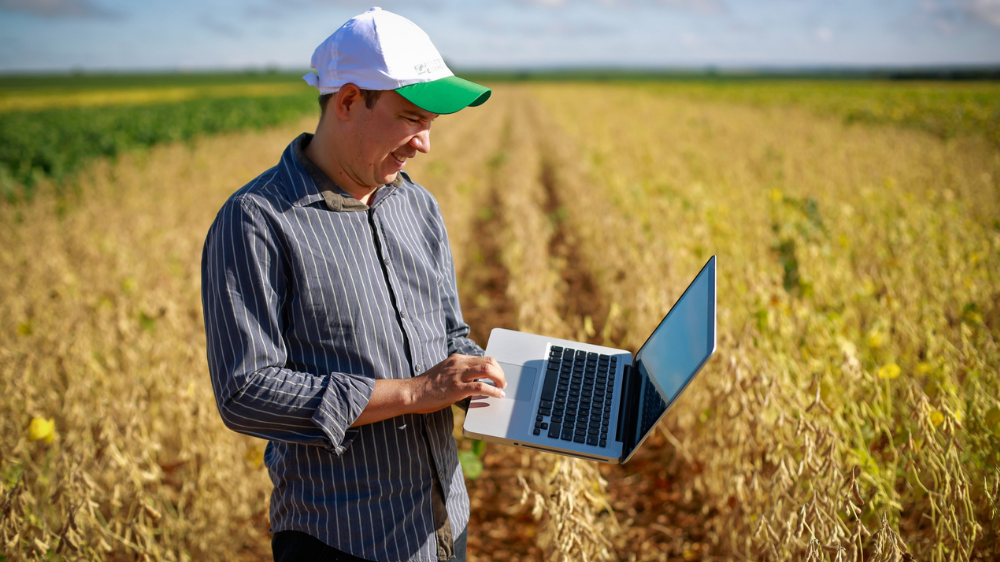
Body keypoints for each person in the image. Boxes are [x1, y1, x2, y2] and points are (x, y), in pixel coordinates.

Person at [200, 8, 507, 562]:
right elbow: (245, 393)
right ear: (347, 101)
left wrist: (485, 381)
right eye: (411, 118)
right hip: (340, 540)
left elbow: (450, 332)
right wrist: (412, 393)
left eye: (431, 124)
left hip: (444, 527)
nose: (424, 144)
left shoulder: (418, 205)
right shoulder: (256, 220)